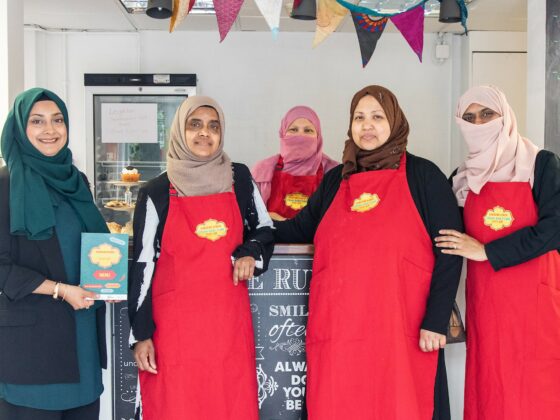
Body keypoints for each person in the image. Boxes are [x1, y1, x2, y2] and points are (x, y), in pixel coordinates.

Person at [274, 85, 463, 420]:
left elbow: (450, 253)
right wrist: (248, 227)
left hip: (401, 331)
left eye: (377, 116)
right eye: (359, 117)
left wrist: (436, 320)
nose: (367, 125)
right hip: (340, 332)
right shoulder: (335, 181)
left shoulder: (424, 176)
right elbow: (299, 229)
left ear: (394, 122)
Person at [128, 96, 274, 420]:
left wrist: (250, 253)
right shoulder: (155, 192)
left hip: (227, 330)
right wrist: (141, 335)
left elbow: (264, 229)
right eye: (195, 125)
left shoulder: (239, 179)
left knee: (228, 406)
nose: (204, 134)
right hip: (174, 334)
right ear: (180, 130)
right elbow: (142, 266)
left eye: (213, 126)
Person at [435, 85, 560, 420]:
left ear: (504, 116)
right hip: (487, 308)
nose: (478, 123)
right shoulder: (460, 180)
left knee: (537, 393)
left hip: (535, 309)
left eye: (487, 114)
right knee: (491, 392)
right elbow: (440, 240)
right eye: (469, 117)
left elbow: (554, 228)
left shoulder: (540, 164)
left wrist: (487, 251)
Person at [0, 88, 108, 419]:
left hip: (82, 337)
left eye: (57, 120)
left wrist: (108, 281)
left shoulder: (77, 181)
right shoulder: (5, 185)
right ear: (20, 127)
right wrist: (60, 290)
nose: (50, 130)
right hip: (32, 351)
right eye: (37, 121)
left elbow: (88, 245)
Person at [251, 106, 338, 221]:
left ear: (318, 136)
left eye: (308, 130)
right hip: (274, 238)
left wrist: (281, 221)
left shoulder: (333, 172)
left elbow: (337, 220)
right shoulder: (262, 171)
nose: (300, 136)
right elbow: (251, 218)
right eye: (293, 130)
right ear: (283, 134)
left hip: (317, 239)